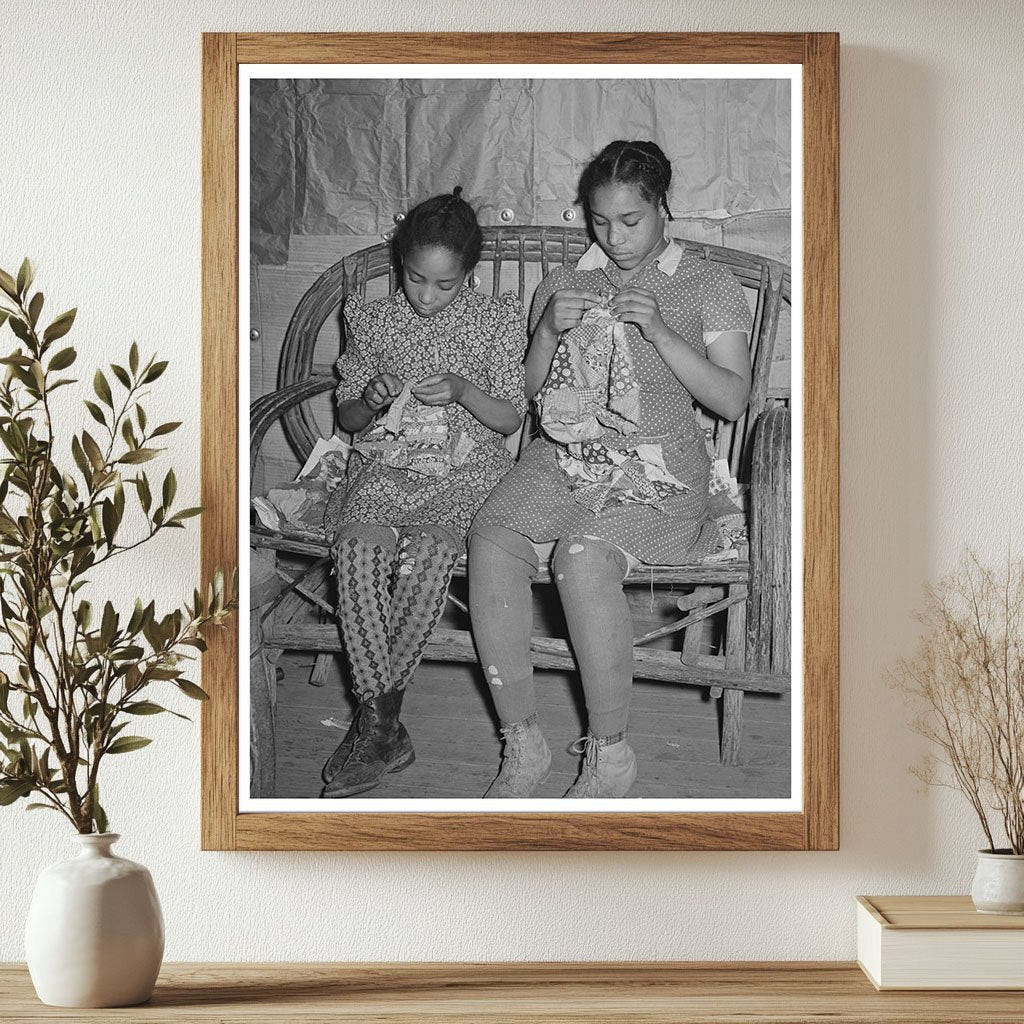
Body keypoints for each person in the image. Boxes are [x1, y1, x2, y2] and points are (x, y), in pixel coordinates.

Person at [468, 141, 753, 799]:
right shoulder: (569, 281)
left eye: (632, 220)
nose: (616, 237)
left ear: (663, 208)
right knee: (491, 537)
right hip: (566, 455)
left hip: (660, 462)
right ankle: (523, 743)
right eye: (600, 221)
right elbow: (524, 395)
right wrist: (544, 333)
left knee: (584, 555)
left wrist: (661, 332)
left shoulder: (705, 283)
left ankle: (611, 750)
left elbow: (731, 398)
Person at [321, 188, 526, 798]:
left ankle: (375, 726)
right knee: (357, 550)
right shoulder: (375, 319)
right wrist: (373, 398)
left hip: (463, 477)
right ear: (398, 263)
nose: (428, 296)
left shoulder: (494, 321)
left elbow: (511, 418)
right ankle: (383, 723)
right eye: (415, 280)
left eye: (445, 284)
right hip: (384, 472)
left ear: (470, 275)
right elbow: (348, 420)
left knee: (427, 559)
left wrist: (465, 390)